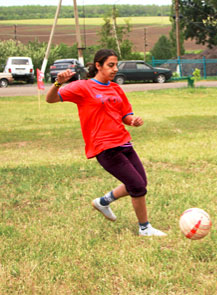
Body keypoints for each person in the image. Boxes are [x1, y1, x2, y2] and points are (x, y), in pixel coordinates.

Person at [46, 49, 167, 237]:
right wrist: (58, 83)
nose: (115, 69)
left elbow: (126, 114)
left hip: (124, 142)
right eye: (111, 65)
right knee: (137, 186)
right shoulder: (82, 87)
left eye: (116, 65)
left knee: (141, 182)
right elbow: (51, 99)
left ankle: (103, 202)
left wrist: (133, 120)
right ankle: (144, 228)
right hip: (104, 146)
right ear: (98, 66)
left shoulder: (116, 88)